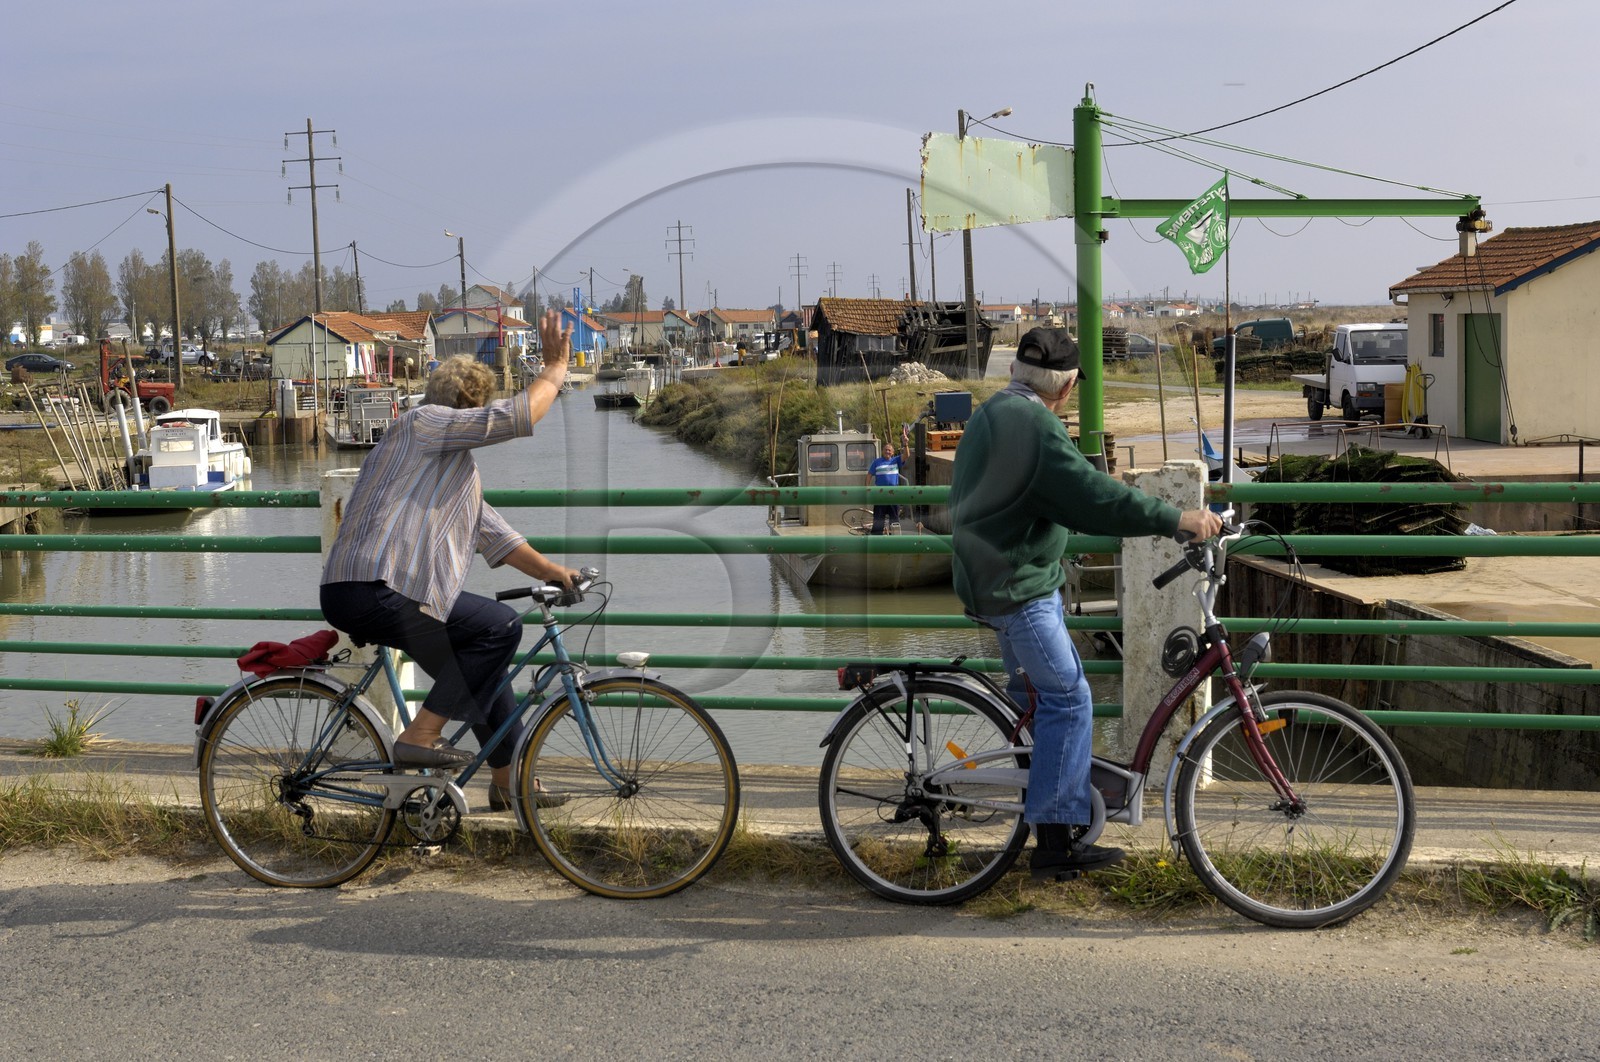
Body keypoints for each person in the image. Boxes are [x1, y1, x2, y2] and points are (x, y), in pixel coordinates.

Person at [949, 327, 1222, 880]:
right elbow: (1092, 499)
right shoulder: (1035, 427)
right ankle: (1054, 838)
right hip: (1017, 588)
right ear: (1068, 386)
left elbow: (1062, 485)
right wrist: (1178, 518)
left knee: (1034, 701)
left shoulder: (995, 411)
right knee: (1069, 700)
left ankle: (1049, 805)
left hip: (992, 576)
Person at [320, 310, 581, 811]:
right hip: (378, 587)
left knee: (483, 671)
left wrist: (553, 572)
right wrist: (553, 369)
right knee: (500, 627)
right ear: (468, 407)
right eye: (475, 411)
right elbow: (520, 416)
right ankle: (420, 736)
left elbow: (493, 533)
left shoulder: (444, 465)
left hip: (369, 588)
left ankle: (509, 782)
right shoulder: (425, 424)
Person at [867, 441, 905, 534]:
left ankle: (895, 540)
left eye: (889, 450)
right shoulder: (876, 462)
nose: (887, 451)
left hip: (893, 495)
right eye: (885, 450)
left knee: (894, 519)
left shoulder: (896, 460)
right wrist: (867, 489)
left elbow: (907, 455)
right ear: (882, 451)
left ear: (892, 452)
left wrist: (906, 444)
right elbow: (869, 475)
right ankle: (876, 541)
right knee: (878, 520)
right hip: (880, 495)